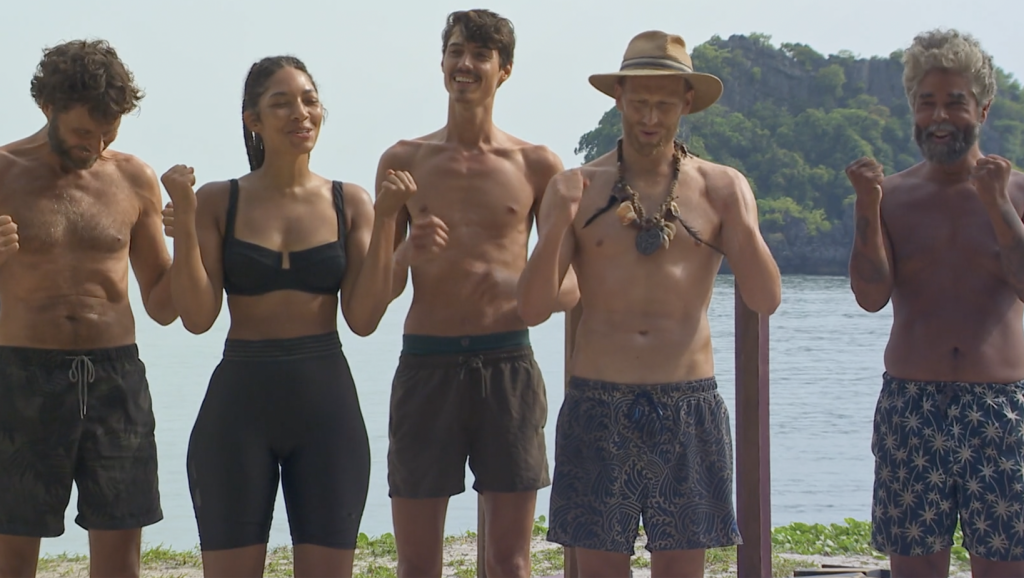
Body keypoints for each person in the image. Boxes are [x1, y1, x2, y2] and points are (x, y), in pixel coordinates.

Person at [518, 30, 782, 578]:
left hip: (688, 403)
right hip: (598, 402)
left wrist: (742, 219)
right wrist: (555, 224)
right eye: (639, 102)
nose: (650, 118)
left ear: (687, 103)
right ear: (619, 97)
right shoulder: (578, 188)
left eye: (664, 104)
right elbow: (533, 307)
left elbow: (765, 297)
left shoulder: (721, 187)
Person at [160, 55, 411, 578]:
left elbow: (363, 318)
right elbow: (198, 317)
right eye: (282, 103)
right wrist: (184, 215)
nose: (301, 113)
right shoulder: (217, 201)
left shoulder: (351, 202)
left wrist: (388, 219)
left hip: (326, 412)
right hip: (238, 410)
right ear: (252, 119)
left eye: (309, 100)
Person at [375, 9, 578, 578]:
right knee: (417, 563)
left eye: (480, 55)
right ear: (442, 61)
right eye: (456, 51)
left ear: (504, 70)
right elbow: (377, 288)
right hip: (426, 364)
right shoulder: (403, 161)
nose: (465, 64)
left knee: (509, 561)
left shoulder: (537, 164)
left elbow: (571, 285)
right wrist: (404, 253)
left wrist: (524, 284)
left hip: (508, 365)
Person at [847, 29, 1024, 578]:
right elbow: (870, 296)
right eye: (927, 103)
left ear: (983, 109)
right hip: (911, 406)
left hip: (1001, 408)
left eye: (955, 102)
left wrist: (998, 207)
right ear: (913, 109)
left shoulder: (1017, 193)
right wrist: (866, 208)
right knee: (915, 567)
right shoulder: (893, 196)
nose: (940, 116)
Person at [0, 39, 176, 578]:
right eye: (83, 132)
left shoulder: (134, 178)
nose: (95, 145)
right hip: (21, 375)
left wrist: (193, 234)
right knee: (11, 552)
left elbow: (163, 302)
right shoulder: (3, 172)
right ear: (47, 106)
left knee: (121, 551)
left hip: (116, 378)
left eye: (108, 131)